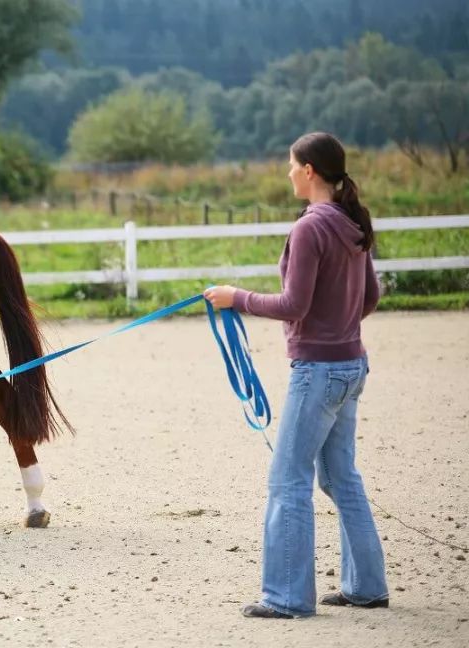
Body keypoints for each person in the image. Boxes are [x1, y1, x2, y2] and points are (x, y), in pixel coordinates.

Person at [204, 132, 388, 619]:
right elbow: (370, 296)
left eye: (291, 165)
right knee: (340, 476)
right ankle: (367, 586)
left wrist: (234, 296)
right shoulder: (352, 222)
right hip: (352, 364)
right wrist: (339, 323)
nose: (287, 173)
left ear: (309, 170)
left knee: (288, 479)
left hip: (319, 371)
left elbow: (293, 305)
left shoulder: (310, 227)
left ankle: (286, 597)